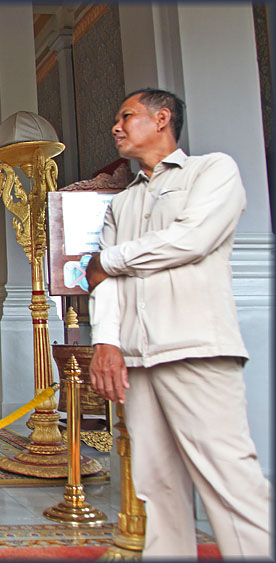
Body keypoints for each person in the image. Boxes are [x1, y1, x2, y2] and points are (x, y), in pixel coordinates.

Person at [86, 88, 271, 558]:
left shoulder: (212, 171)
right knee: (156, 488)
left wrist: (111, 259)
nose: (116, 127)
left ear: (161, 118)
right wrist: (106, 343)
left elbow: (191, 240)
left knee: (231, 483)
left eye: (126, 116)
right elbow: (102, 284)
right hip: (135, 359)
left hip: (196, 347)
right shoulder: (121, 204)